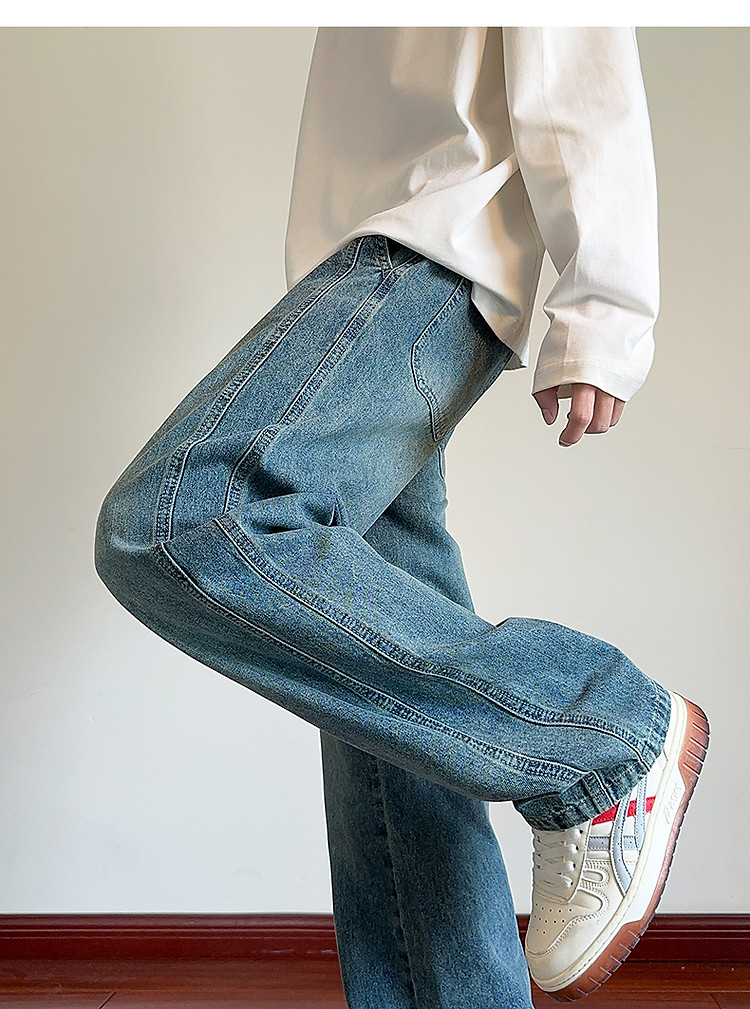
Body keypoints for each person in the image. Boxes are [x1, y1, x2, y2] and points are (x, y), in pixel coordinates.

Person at [94, 27, 709, 1008]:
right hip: (364, 250)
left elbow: (582, 48)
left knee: (179, 519)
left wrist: (606, 309)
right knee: (387, 708)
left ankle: (603, 730)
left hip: (431, 241)